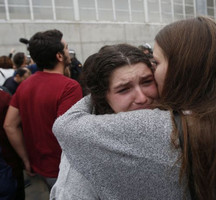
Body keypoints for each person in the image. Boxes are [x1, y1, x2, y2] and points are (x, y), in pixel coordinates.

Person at [53, 16, 216, 200]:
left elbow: (65, 125)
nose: (141, 98)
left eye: (154, 67)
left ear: (181, 70)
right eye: (123, 89)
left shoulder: (160, 126)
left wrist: (95, 94)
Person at [50, 43, 159, 199]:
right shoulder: (81, 165)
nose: (142, 98)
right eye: (124, 89)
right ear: (103, 97)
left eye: (147, 82)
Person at [3, 29, 83, 191]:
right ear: (59, 56)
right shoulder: (70, 87)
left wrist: (26, 159)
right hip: (63, 170)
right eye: (66, 48)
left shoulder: (25, 84)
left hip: (38, 167)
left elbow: (9, 125)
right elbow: (71, 133)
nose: (69, 51)